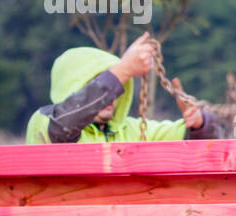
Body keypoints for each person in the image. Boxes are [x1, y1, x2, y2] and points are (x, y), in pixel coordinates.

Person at [26, 32, 217, 144]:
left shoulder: (132, 131)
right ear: (73, 87)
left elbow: (189, 139)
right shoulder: (43, 122)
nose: (112, 97)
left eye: (116, 87)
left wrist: (199, 124)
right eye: (99, 83)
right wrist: (124, 69)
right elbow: (63, 126)